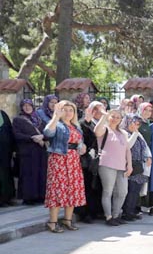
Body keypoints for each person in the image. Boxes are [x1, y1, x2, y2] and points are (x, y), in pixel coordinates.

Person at [42, 100, 87, 232]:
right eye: (65, 110)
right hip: (59, 159)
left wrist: (82, 146)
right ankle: (53, 222)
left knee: (72, 189)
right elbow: (47, 133)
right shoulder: (57, 124)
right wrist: (56, 117)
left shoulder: (76, 126)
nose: (68, 113)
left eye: (71, 110)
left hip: (73, 160)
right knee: (57, 189)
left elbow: (79, 141)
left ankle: (67, 220)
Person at [94, 109, 132, 226]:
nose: (115, 119)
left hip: (121, 166)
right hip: (107, 164)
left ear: (121, 120)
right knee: (108, 191)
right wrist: (104, 117)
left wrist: (129, 165)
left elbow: (127, 150)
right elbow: (96, 131)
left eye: (118, 117)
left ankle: (116, 215)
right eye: (113, 116)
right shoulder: (104, 130)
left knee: (122, 191)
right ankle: (108, 216)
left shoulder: (123, 133)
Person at [12, 99, 48, 205]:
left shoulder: (39, 119)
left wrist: (42, 137)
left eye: (29, 105)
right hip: (27, 152)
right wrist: (32, 138)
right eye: (25, 106)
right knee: (29, 174)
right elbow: (17, 135)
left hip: (40, 151)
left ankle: (41, 196)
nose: (27, 108)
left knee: (41, 173)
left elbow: (48, 132)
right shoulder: (18, 120)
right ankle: (29, 198)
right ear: (21, 107)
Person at [121, 115, 150, 221]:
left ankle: (131, 211)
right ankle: (126, 213)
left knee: (135, 191)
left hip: (138, 165)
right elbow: (128, 145)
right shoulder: (124, 133)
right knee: (130, 190)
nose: (136, 126)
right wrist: (135, 133)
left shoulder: (137, 134)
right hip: (129, 165)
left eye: (138, 124)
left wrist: (148, 157)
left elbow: (144, 147)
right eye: (134, 123)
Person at [0, 107, 14, 207]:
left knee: (6, 173)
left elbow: (10, 131)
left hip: (5, 151)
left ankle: (7, 198)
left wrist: (13, 149)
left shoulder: (3, 114)